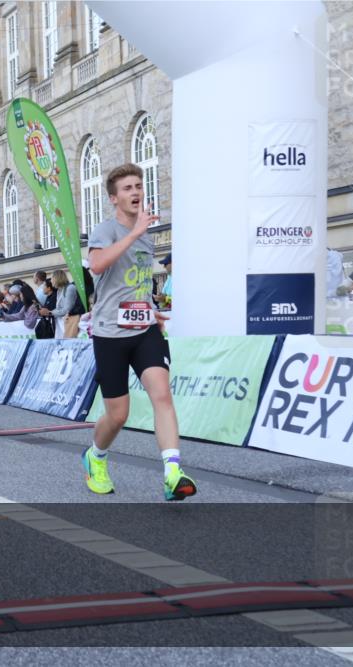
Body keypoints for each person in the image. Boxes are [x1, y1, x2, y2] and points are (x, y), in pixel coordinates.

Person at [85, 162, 196, 501]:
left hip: (144, 329)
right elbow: (97, 265)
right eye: (128, 188)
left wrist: (151, 309)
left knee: (161, 394)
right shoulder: (106, 230)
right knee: (118, 414)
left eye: (138, 186)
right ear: (114, 198)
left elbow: (138, 281)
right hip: (109, 333)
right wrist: (133, 234)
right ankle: (96, 457)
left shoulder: (145, 237)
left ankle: (172, 473)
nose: (136, 192)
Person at [48, 270, 78, 338]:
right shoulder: (60, 289)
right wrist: (49, 312)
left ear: (57, 278)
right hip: (62, 323)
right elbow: (58, 308)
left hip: (69, 323)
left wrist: (50, 313)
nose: (51, 281)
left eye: (52, 278)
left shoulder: (70, 288)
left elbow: (67, 310)